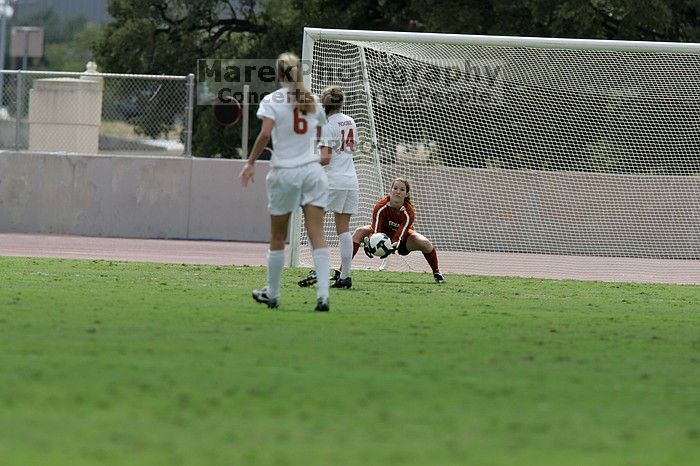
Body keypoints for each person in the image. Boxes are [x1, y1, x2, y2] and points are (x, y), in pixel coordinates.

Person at [239, 52, 331, 312]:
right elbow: (322, 134)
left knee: (278, 235)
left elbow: (265, 133)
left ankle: (273, 293)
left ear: (278, 75)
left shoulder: (272, 100)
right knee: (316, 234)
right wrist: (321, 150)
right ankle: (323, 295)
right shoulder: (312, 100)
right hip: (313, 172)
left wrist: (250, 163)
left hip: (285, 173)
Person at [298, 85, 359, 289]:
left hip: (330, 181)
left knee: (314, 224)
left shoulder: (326, 124)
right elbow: (350, 149)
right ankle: (345, 277)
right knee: (343, 230)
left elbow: (325, 159)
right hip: (350, 180)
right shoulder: (350, 121)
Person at [353, 178, 446, 284]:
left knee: (425, 243)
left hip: (402, 240)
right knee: (359, 232)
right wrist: (371, 243)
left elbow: (401, 234)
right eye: (395, 188)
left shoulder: (409, 211)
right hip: (382, 235)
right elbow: (376, 230)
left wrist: (391, 247)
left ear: (406, 194)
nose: (398, 191)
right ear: (390, 190)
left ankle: (437, 273)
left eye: (402, 189)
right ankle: (342, 272)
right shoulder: (380, 206)